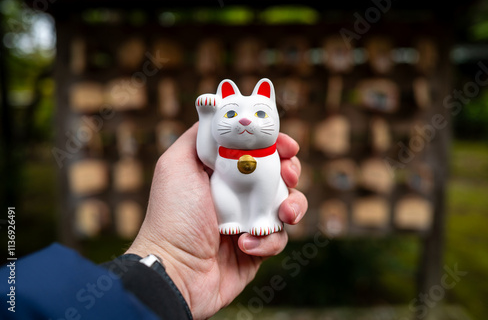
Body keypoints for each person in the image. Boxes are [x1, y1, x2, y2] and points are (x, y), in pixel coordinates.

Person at [0, 123, 308, 320]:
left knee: (271, 199)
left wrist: (172, 267)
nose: (245, 121)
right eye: (233, 113)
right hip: (222, 210)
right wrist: (173, 261)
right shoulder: (220, 148)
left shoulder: (14, 299)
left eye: (257, 112)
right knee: (226, 194)